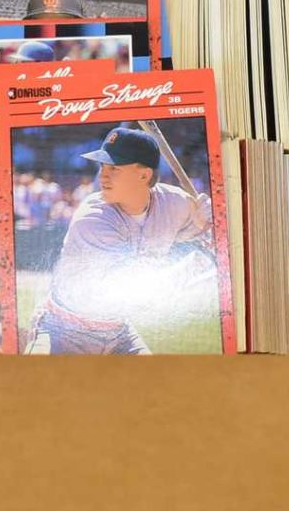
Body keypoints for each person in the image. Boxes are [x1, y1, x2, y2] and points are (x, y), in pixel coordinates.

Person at [26, 127, 212, 355]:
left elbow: (201, 234)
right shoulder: (93, 218)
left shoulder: (175, 203)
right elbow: (135, 290)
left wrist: (205, 223)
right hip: (64, 332)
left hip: (119, 331)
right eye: (102, 166)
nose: (102, 176)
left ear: (144, 175)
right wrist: (194, 265)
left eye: (114, 168)